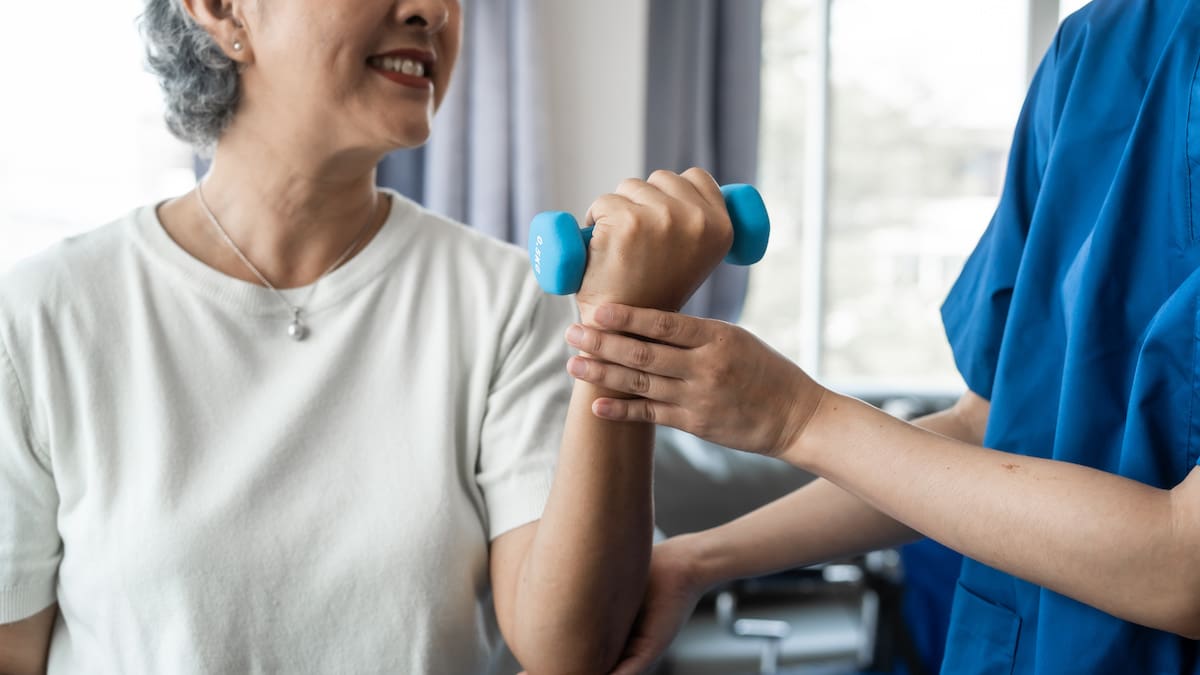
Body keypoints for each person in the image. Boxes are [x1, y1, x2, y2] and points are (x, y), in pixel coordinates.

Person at [0, 1, 737, 673]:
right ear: (224, 11)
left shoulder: (507, 301)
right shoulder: (40, 314)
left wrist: (616, 326)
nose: (434, 11)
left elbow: (569, 650)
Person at [563, 1, 1200, 673]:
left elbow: (1182, 566)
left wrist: (797, 416)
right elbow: (987, 427)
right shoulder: (1097, 51)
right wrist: (701, 559)